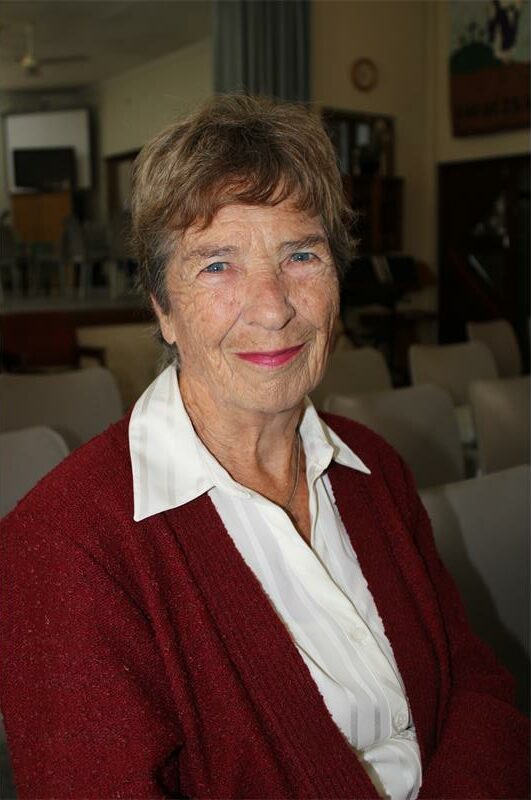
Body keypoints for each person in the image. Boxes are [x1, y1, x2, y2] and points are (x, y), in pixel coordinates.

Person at [0, 95, 528, 800]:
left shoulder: (374, 469)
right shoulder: (64, 545)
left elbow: (474, 683)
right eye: (217, 264)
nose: (274, 305)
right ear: (161, 307)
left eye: (301, 253)